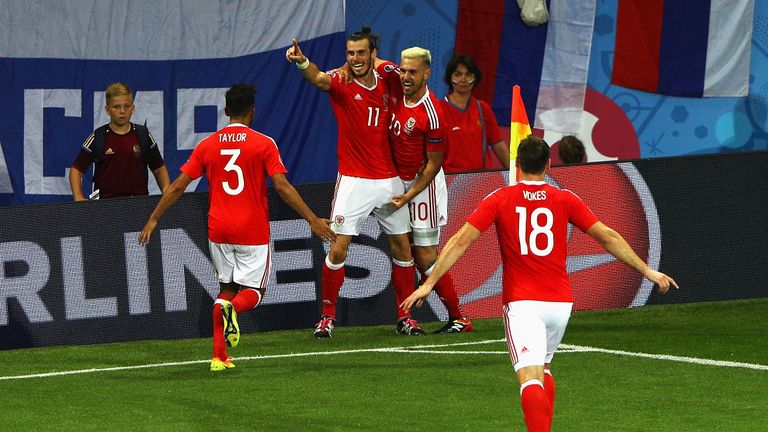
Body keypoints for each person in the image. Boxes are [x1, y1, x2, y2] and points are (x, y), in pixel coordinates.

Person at [401, 135, 678, 431]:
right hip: (560, 304)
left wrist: (429, 283)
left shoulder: (499, 198)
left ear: (517, 164)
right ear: (548, 165)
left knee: (529, 378)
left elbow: (459, 241)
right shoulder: (565, 198)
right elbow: (608, 237)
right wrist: (647, 271)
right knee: (543, 369)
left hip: (523, 303)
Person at [138, 84, 336, 371]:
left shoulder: (207, 145)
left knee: (226, 290)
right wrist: (312, 219)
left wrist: (155, 217)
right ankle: (234, 311)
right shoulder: (263, 143)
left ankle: (219, 357)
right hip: (251, 230)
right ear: (252, 112)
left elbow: (179, 185)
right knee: (254, 292)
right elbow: (282, 186)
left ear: (226, 110)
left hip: (219, 229)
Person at [285, 28, 424, 337]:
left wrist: (378, 64)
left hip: (389, 179)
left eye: (361, 53)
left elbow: (408, 77)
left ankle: (405, 318)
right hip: (354, 181)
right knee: (338, 248)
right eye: (350, 53)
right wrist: (301, 61)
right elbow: (317, 78)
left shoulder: (388, 77)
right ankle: (327, 317)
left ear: (373, 54)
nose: (355, 59)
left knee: (402, 247)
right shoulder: (341, 81)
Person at [383, 47, 472, 333]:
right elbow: (376, 63)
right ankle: (405, 319)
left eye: (413, 72)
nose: (406, 77)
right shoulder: (395, 91)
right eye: (403, 70)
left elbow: (434, 165)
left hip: (423, 188)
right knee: (400, 248)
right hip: (397, 183)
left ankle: (458, 317)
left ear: (427, 74)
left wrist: (409, 195)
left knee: (425, 256)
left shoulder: (432, 112)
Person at [69, 82, 170, 200]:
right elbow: (76, 170)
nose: (122, 111)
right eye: (116, 107)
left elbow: (159, 169)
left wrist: (167, 193)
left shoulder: (143, 135)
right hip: (103, 206)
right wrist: (79, 197)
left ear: (133, 108)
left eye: (126, 106)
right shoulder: (98, 137)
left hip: (139, 205)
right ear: (107, 110)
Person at [439, 54, 508, 173]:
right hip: (449, 178)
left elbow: (499, 146)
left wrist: (517, 177)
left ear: (475, 78)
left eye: (468, 75)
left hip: (482, 178)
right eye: (458, 75)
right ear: (450, 78)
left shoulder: (483, 109)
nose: (463, 80)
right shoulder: (438, 109)